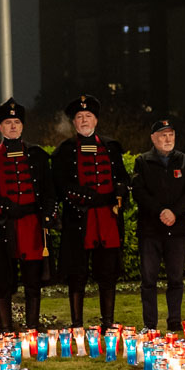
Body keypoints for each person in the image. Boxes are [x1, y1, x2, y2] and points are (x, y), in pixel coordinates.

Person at [0, 98, 57, 333]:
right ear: (0, 127)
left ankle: (32, 328)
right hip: (3, 226)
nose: (13, 126)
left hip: (32, 225)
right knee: (2, 280)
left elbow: (49, 191)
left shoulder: (37, 155)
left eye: (17, 122)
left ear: (22, 126)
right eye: (8, 122)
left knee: (33, 280)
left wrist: (47, 214)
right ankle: (6, 330)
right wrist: (4, 207)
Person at [51, 94, 130, 330]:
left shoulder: (111, 146)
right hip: (79, 219)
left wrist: (121, 191)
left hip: (107, 219)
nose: (84, 120)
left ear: (96, 120)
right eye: (79, 117)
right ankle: (77, 325)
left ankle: (108, 323)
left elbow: (123, 178)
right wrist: (85, 196)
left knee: (108, 274)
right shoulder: (64, 150)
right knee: (77, 275)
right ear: (74, 122)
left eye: (88, 116)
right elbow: (60, 185)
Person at [130, 117, 185, 331]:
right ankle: (150, 324)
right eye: (163, 135)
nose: (168, 139)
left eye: (171, 135)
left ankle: (174, 321)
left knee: (176, 279)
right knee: (148, 280)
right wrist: (160, 211)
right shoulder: (143, 161)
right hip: (150, 230)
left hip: (176, 230)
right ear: (153, 138)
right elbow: (138, 192)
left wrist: (174, 212)